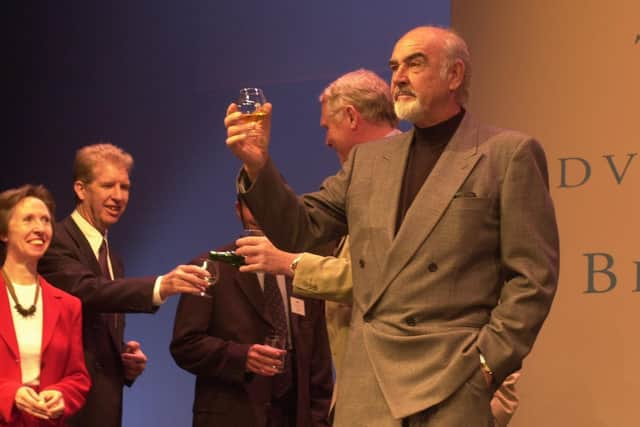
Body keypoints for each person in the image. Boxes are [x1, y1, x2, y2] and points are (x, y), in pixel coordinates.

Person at [224, 25, 559, 427]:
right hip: (369, 383)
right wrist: (258, 165)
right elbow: (302, 229)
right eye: (394, 66)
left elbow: (533, 277)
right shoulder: (369, 163)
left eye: (415, 64)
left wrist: (488, 361)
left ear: (455, 76)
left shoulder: (506, 154)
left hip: (451, 379)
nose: (398, 76)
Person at [38, 143, 209, 427]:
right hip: (63, 408)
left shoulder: (113, 258)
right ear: (81, 189)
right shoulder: (56, 240)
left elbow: (94, 329)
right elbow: (88, 291)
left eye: (125, 187)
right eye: (108, 186)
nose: (118, 197)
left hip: (104, 406)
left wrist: (123, 363)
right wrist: (161, 286)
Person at [170, 197, 333, 427]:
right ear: (238, 210)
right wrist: (242, 357)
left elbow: (319, 362)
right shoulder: (210, 266)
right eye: (253, 204)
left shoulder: (300, 269)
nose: (262, 211)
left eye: (270, 200)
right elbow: (185, 345)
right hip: (233, 416)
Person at [0, 185, 90, 426]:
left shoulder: (68, 305)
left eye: (46, 221)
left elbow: (78, 377)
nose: (40, 229)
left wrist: (62, 395)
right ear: (4, 233)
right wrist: (10, 394)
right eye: (28, 220)